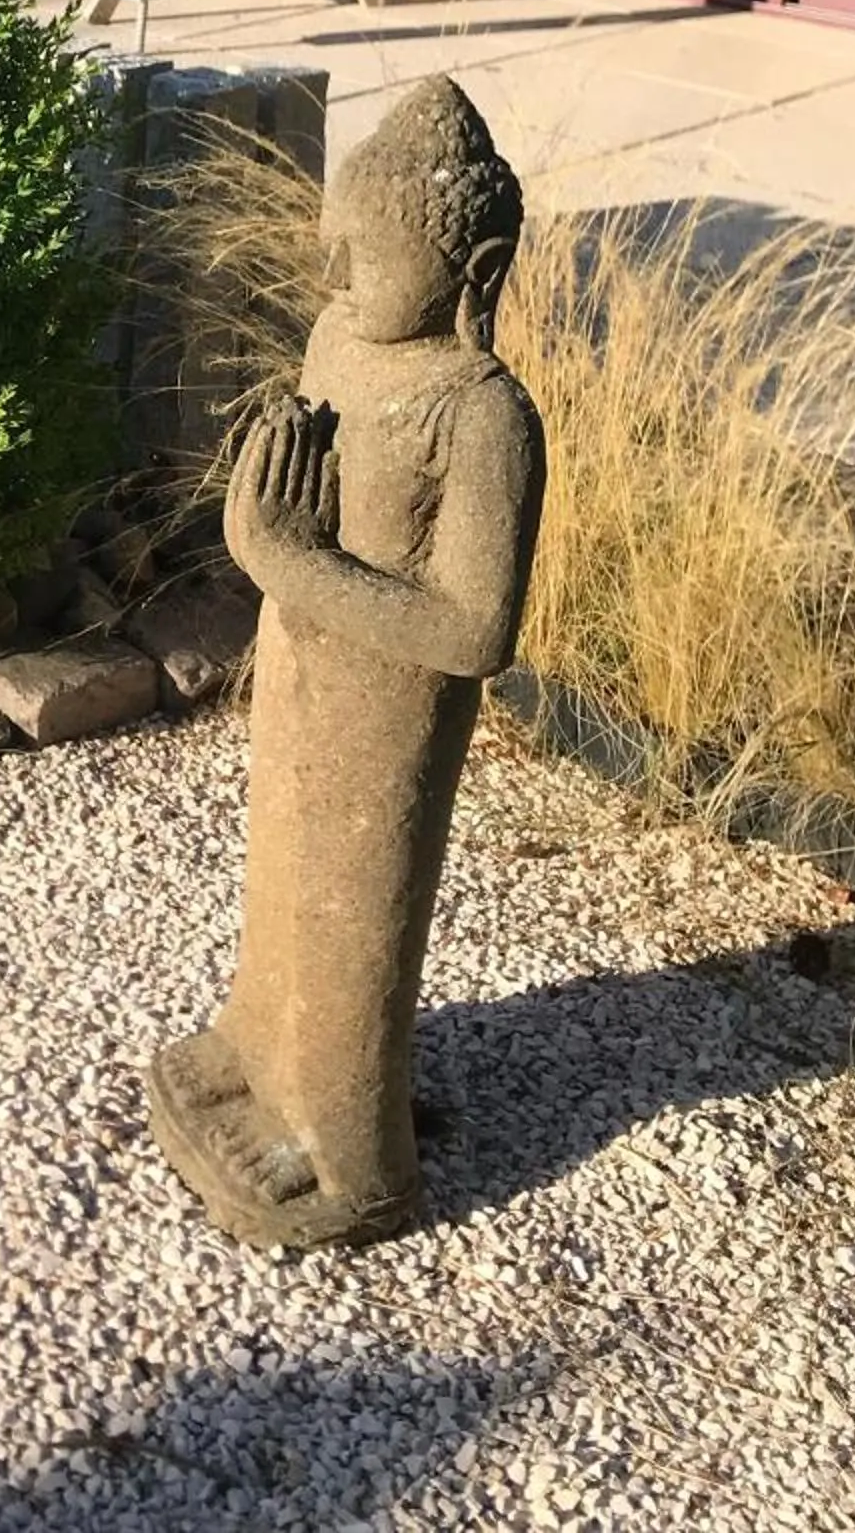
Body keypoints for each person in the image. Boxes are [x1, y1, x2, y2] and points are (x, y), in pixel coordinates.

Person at [148, 76, 546, 1249]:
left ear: (472, 275)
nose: (333, 278)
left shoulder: (483, 415)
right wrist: (273, 523)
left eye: (364, 254)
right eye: (337, 245)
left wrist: (282, 555)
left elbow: (477, 632)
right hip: (303, 665)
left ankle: (350, 1148)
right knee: (282, 875)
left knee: (352, 907)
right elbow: (303, 514)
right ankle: (251, 1048)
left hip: (390, 707)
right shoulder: (337, 339)